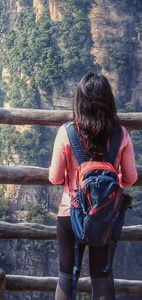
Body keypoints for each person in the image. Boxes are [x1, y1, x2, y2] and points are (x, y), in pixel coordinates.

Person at [49, 73, 137, 300]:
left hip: (71, 213)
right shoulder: (121, 134)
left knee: (66, 277)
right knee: (102, 278)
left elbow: (54, 177)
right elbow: (130, 178)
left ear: (79, 99)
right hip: (105, 216)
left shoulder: (67, 132)